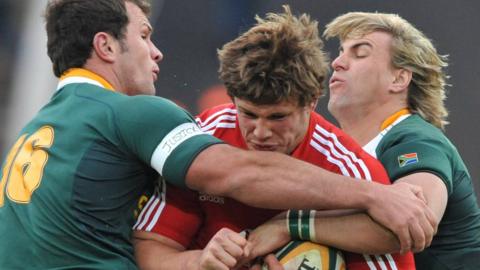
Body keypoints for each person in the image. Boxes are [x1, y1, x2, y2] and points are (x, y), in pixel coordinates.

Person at [0, 0, 435, 267]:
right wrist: (375, 196)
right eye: (145, 35)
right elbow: (238, 174)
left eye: (278, 117)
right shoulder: (136, 113)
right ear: (106, 46)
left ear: (310, 102)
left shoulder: (39, 126)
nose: (157, 51)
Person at [132, 6, 415, 270]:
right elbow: (150, 251)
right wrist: (200, 261)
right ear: (232, 98)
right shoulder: (202, 139)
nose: (261, 131)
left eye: (278, 117)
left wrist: (293, 225)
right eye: (249, 114)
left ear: (312, 102)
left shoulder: (352, 171)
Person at [245, 11, 480, 270]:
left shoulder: (415, 139)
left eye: (360, 53)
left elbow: (414, 223)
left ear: (399, 78)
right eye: (341, 52)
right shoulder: (338, 152)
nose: (337, 63)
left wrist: (290, 225)